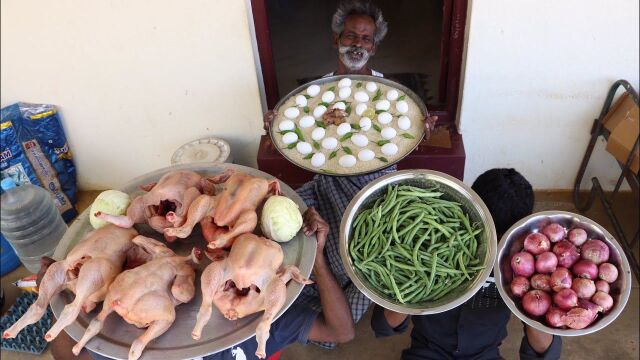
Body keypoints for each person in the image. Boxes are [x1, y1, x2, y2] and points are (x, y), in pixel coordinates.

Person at [263, 0, 437, 350]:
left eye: (366, 38)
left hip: (375, 191)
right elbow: (304, 141)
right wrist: (279, 125)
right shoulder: (316, 95)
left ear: (374, 46)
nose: (358, 44)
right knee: (297, 224)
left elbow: (395, 139)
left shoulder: (389, 95)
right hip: (327, 185)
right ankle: (325, 297)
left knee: (365, 252)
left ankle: (348, 295)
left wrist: (422, 128)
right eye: (351, 35)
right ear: (336, 40)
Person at [35, 208, 355, 360]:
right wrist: (51, 297)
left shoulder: (268, 311)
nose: (232, 304)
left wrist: (320, 260)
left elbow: (341, 332)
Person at [371, 168, 563, 359]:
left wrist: (531, 304)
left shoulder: (524, 267)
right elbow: (383, 325)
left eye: (501, 238)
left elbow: (544, 353)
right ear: (468, 209)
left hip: (484, 355)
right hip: (428, 351)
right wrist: (418, 284)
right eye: (484, 234)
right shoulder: (430, 241)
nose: (490, 249)